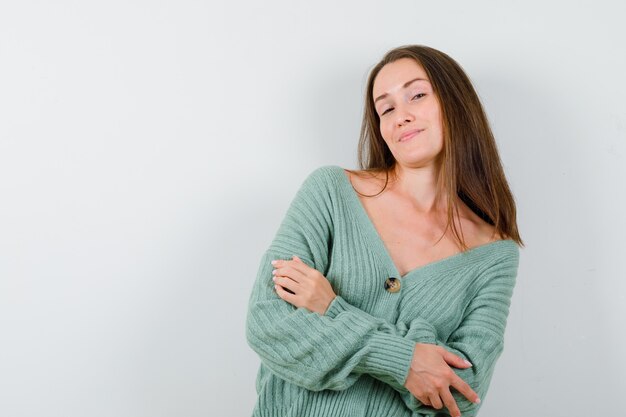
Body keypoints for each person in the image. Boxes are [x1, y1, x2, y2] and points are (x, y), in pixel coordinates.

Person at [245, 44, 523, 417]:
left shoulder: (495, 253)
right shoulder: (330, 192)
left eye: (417, 95)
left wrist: (332, 308)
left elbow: (462, 393)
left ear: (456, 104)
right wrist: (408, 360)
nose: (401, 116)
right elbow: (268, 322)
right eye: (386, 108)